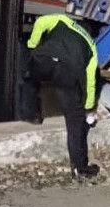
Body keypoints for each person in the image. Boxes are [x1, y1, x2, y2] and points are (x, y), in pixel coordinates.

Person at [22, 14, 100, 179]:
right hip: (67, 73)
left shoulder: (63, 20)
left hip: (44, 59)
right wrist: (88, 107)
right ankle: (80, 168)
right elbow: (90, 82)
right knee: (75, 122)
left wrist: (32, 44)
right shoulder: (92, 46)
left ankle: (33, 114)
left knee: (29, 78)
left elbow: (40, 21)